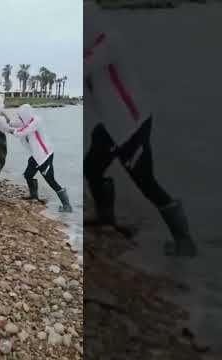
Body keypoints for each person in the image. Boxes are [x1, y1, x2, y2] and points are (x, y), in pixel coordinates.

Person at [83, 0, 196, 257]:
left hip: (130, 126)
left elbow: (82, 67)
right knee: (91, 167)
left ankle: (184, 242)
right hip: (111, 123)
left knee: (146, 182)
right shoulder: (90, 44)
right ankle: (106, 220)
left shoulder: (109, 43)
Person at [0, 104, 73, 212]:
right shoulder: (27, 121)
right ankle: (34, 196)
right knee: (28, 175)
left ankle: (67, 206)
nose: (20, 119)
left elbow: (21, 132)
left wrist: (7, 129)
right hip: (35, 156)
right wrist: (4, 115)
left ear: (25, 116)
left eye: (20, 117)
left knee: (51, 181)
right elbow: (14, 124)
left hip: (44, 156)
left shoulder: (36, 121)